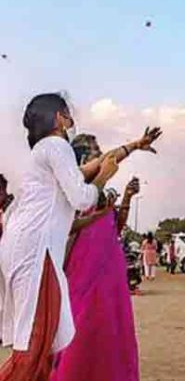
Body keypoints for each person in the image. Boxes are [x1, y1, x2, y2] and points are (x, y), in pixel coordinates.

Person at [0, 93, 120, 379]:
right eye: (68, 114)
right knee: (35, 343)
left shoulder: (43, 151)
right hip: (36, 252)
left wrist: (131, 148)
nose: (71, 121)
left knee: (44, 342)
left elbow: (79, 175)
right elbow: (80, 196)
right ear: (58, 118)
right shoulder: (57, 145)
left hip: (26, 249)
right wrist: (103, 179)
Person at [53, 130, 158, 381]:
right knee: (81, 332)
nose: (101, 157)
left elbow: (115, 228)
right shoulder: (69, 194)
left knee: (112, 331)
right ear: (81, 162)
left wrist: (128, 198)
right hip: (81, 275)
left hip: (110, 274)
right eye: (95, 153)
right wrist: (134, 145)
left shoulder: (102, 195)